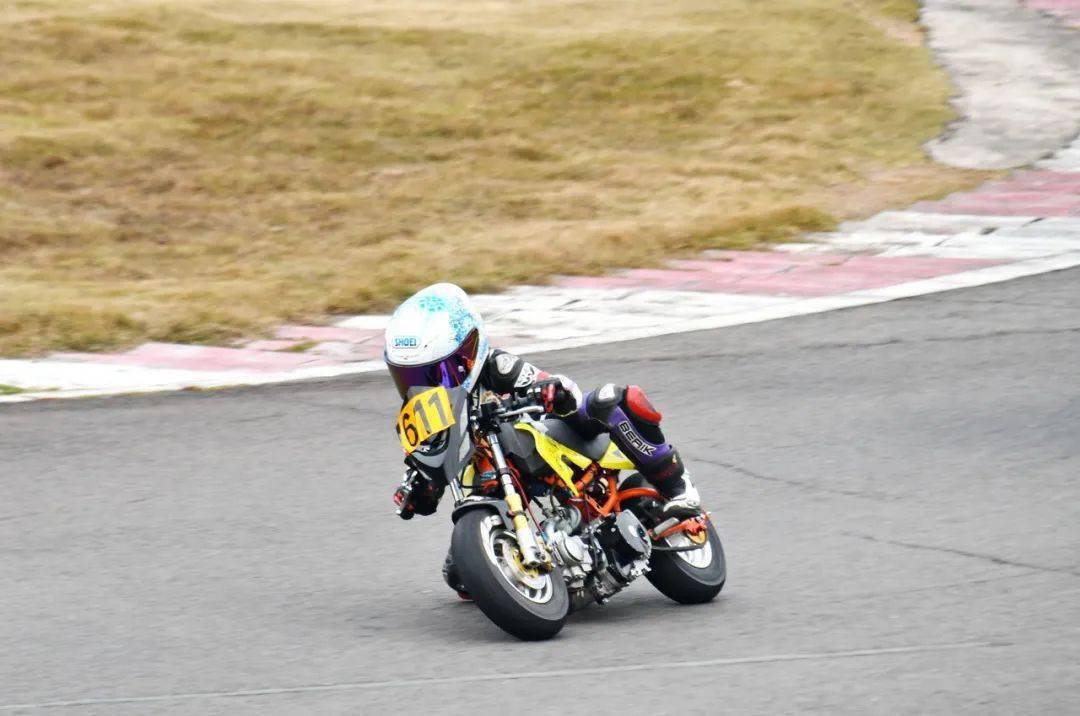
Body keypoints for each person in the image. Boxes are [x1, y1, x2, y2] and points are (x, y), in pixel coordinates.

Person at [384, 283, 702, 592]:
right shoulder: (426, 414)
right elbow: (428, 465)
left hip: (544, 437)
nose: (424, 386)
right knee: (460, 576)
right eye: (410, 378)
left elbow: (562, 388)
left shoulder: (497, 366)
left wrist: (551, 390)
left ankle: (679, 487)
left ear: (469, 349)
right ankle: (546, 552)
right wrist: (417, 488)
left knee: (609, 399)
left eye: (434, 373)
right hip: (488, 483)